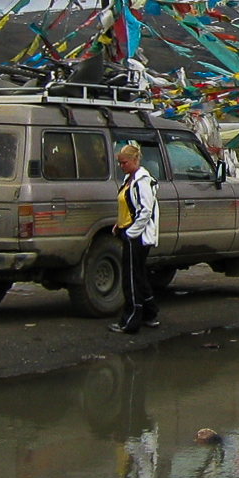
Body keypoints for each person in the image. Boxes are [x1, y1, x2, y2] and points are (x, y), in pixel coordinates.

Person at [110, 142, 160, 334]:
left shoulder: (142, 181)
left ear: (135, 160)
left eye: (125, 162)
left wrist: (131, 232)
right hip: (129, 231)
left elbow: (146, 210)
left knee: (130, 279)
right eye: (120, 163)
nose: (122, 166)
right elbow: (129, 207)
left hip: (136, 237)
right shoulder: (129, 179)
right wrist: (120, 224)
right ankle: (150, 313)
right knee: (138, 276)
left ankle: (130, 321)